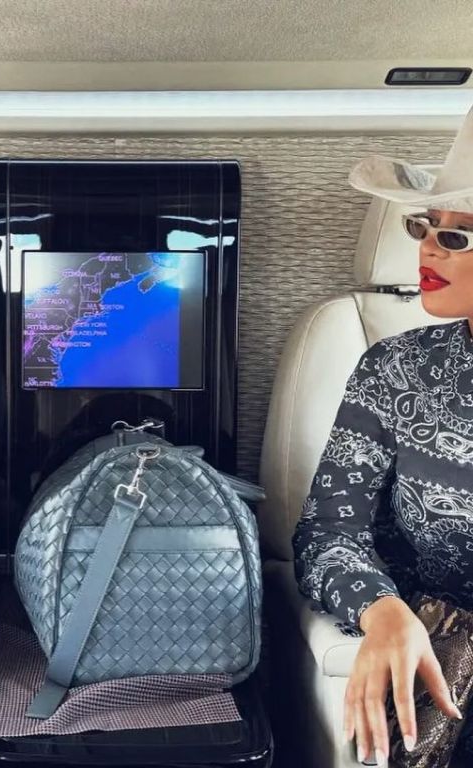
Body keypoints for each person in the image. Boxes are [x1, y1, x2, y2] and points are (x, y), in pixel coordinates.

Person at [293, 106, 473, 767]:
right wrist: (382, 608)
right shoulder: (395, 369)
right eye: (425, 226)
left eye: (457, 236)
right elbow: (326, 532)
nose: (428, 248)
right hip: (454, 658)